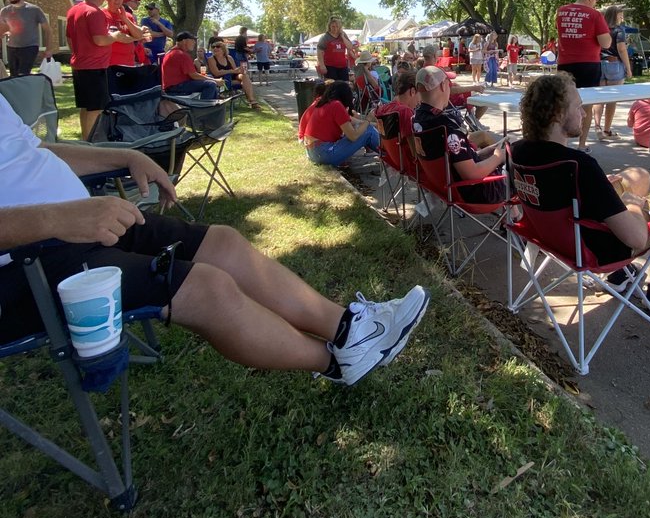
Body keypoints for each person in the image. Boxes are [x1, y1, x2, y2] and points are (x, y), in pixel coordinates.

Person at [0, 93, 429, 385]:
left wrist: (126, 155)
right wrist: (54, 217)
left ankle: (350, 328)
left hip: (84, 222)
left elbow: (32, 152)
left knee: (221, 242)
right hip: (23, 262)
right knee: (207, 287)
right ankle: (338, 361)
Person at [511, 73, 650, 313]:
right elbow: (636, 238)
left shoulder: (519, 151)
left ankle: (621, 275)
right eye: (579, 107)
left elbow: (551, 189)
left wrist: (600, 186)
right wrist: (632, 204)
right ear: (558, 114)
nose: (584, 114)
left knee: (639, 174)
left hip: (553, 236)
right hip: (595, 250)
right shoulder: (580, 165)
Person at [412, 66, 506, 203]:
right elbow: (471, 174)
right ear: (443, 86)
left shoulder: (417, 118)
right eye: (449, 84)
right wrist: (498, 157)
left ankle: (513, 216)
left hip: (442, 185)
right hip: (474, 192)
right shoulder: (447, 126)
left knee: (499, 156)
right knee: (516, 166)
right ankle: (517, 218)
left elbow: (451, 161)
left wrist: (483, 153)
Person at [66, 0, 136, 139]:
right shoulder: (94, 12)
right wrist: (116, 36)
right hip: (94, 66)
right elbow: (100, 40)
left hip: (79, 65)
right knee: (96, 108)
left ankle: (86, 139)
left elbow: (69, 38)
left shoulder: (73, 10)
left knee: (86, 106)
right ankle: (92, 141)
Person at [555, 0, 612, 149]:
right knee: (586, 104)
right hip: (588, 64)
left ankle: (560, 143)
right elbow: (606, 43)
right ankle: (581, 145)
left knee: (562, 103)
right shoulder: (595, 15)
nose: (595, 3)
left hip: (565, 63)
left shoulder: (561, 11)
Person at [303, 79, 380, 166]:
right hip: (323, 153)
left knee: (364, 128)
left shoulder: (324, 103)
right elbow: (353, 137)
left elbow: (353, 123)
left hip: (313, 152)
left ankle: (389, 155)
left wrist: (375, 124)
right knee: (368, 131)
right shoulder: (336, 105)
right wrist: (368, 119)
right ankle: (392, 157)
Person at [593, 3, 632, 139]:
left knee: (599, 98)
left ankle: (597, 127)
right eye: (621, 14)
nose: (622, 17)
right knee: (612, 99)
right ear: (615, 15)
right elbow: (621, 48)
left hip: (598, 64)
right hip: (614, 64)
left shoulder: (600, 29)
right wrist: (628, 67)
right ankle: (607, 130)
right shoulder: (619, 30)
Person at [0, 0, 52, 77]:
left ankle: (24, 90)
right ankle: (17, 91)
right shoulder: (5, 11)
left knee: (23, 74)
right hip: (12, 47)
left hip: (29, 47)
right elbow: (3, 29)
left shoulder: (34, 10)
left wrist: (48, 49)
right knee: (13, 76)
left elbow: (48, 30)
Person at [103, 0, 149, 75]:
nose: (117, 0)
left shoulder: (128, 15)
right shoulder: (101, 15)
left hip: (129, 63)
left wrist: (125, 19)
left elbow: (139, 35)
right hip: (110, 65)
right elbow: (118, 38)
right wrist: (133, 38)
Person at [161, 31, 219, 100]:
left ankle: (214, 102)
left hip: (174, 85)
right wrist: (215, 80)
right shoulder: (181, 54)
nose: (194, 42)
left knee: (210, 77)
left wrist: (212, 79)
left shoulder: (172, 52)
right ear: (184, 41)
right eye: (192, 40)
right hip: (176, 87)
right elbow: (194, 76)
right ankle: (203, 108)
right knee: (211, 84)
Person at [206, 38, 260, 107]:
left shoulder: (229, 58)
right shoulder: (211, 59)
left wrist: (240, 70)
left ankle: (252, 100)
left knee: (244, 76)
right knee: (245, 82)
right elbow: (216, 73)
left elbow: (235, 71)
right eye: (213, 47)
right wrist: (230, 71)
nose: (215, 48)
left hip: (232, 77)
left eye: (218, 47)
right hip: (221, 80)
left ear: (223, 49)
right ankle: (252, 101)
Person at [373, 67, 419, 144]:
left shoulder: (382, 109)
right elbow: (415, 153)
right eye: (420, 94)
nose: (420, 101)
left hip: (391, 155)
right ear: (413, 91)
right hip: (404, 156)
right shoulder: (405, 111)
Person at [316, 15, 357, 82]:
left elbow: (350, 47)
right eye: (333, 27)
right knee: (332, 86)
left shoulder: (343, 35)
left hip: (343, 66)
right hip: (330, 66)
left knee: (344, 85)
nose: (335, 29)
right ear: (329, 26)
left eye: (337, 27)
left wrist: (343, 37)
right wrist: (322, 65)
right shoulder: (325, 37)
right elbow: (319, 51)